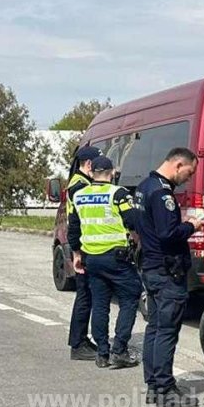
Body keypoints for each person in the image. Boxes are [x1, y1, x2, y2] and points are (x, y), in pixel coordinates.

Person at [134, 147, 204, 407]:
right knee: (167, 330)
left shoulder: (144, 186)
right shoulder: (163, 193)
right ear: (177, 165)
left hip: (151, 267)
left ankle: (154, 384)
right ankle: (164, 389)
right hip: (167, 271)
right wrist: (191, 226)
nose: (188, 178)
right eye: (189, 172)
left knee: (154, 327)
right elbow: (167, 233)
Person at [67, 156, 143, 369]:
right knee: (130, 298)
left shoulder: (80, 196)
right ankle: (119, 349)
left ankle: (102, 353)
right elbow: (133, 221)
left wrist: (77, 254)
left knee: (100, 304)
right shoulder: (118, 194)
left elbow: (74, 228)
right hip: (116, 258)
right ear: (111, 173)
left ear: (92, 173)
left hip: (91, 258)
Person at [66, 145, 102, 361]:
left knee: (85, 296)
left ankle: (80, 339)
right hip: (83, 248)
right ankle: (78, 344)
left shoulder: (81, 182)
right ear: (89, 164)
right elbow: (76, 221)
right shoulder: (80, 186)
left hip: (83, 246)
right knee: (84, 296)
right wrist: (77, 251)